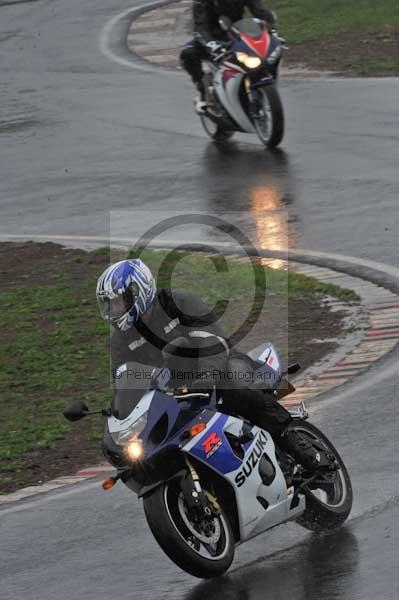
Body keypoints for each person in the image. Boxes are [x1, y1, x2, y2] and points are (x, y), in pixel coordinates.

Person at [96, 258, 332, 471]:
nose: (114, 310)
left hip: (219, 366)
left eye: (118, 302)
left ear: (139, 290)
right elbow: (124, 380)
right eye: (110, 305)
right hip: (175, 394)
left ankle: (295, 440)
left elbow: (213, 342)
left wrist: (207, 377)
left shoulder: (177, 302)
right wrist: (119, 415)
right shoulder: (121, 341)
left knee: (235, 385)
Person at [180, 0, 276, 113]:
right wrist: (212, 45)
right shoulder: (202, 2)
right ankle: (203, 90)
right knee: (188, 53)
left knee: (265, 52)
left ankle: (262, 80)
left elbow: (260, 12)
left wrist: (271, 29)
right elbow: (200, 28)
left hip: (237, 34)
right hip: (211, 39)